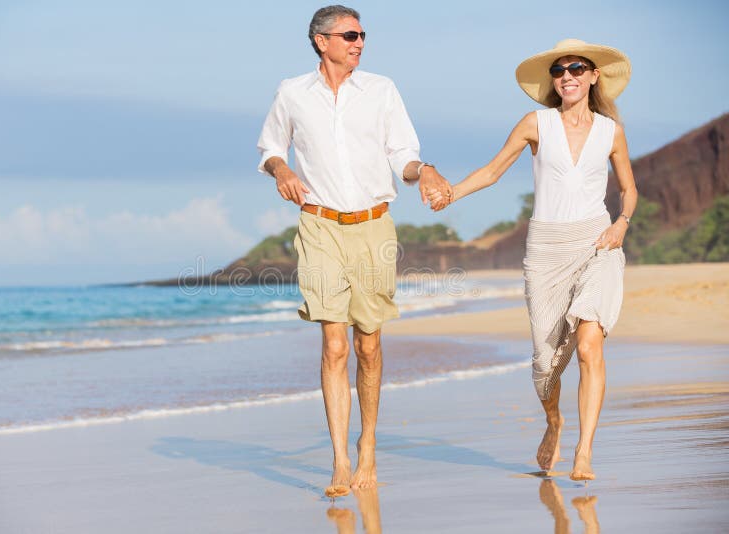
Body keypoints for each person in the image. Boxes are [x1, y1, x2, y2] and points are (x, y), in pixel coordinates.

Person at [257, 5, 452, 496]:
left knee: (368, 344)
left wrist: (424, 170)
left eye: (362, 35)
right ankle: (341, 459)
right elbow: (270, 146)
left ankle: (368, 443)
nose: (359, 42)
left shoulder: (381, 90)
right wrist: (281, 171)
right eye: (349, 35)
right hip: (319, 225)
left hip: (373, 227)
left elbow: (403, 156)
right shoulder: (292, 92)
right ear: (322, 41)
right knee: (334, 343)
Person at [428, 39, 637, 481]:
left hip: (597, 242)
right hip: (545, 249)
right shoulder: (535, 124)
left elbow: (629, 189)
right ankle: (554, 421)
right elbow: (491, 171)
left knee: (588, 343)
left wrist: (622, 223)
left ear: (594, 75)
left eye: (578, 68)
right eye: (560, 70)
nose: (568, 76)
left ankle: (584, 452)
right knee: (545, 366)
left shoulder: (610, 130)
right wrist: (451, 193)